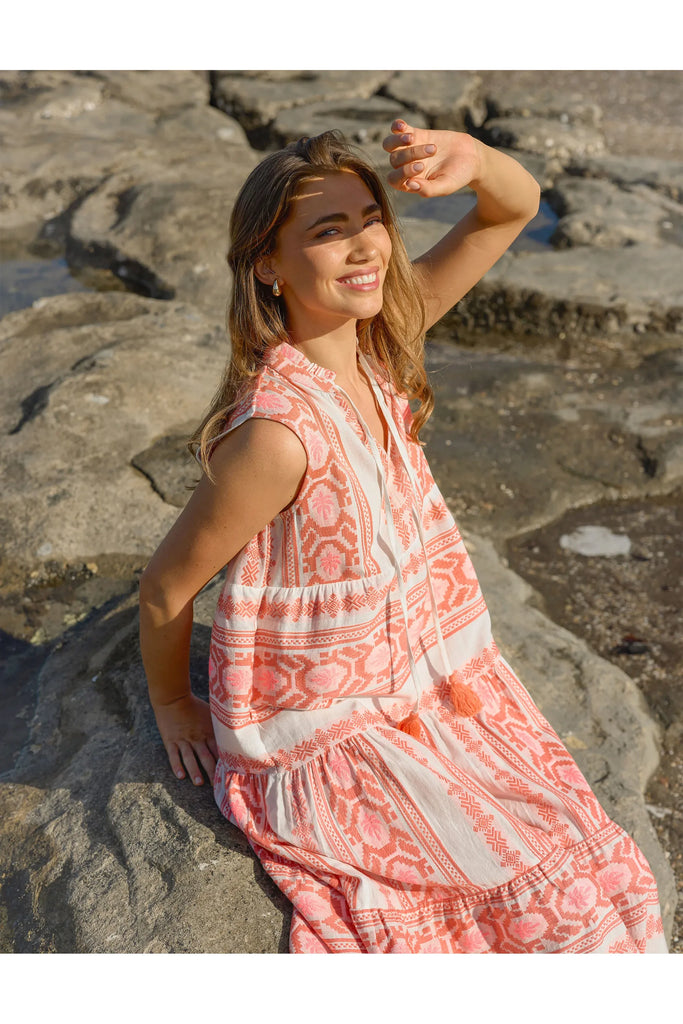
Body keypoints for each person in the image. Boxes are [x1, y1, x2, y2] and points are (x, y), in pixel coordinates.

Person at [139, 120, 667, 954]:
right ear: (268, 266)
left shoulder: (385, 341)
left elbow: (511, 208)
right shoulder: (277, 436)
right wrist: (174, 705)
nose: (364, 248)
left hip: (429, 678)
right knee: (546, 914)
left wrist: (475, 161)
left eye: (370, 220)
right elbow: (168, 586)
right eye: (329, 231)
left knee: (603, 874)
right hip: (328, 723)